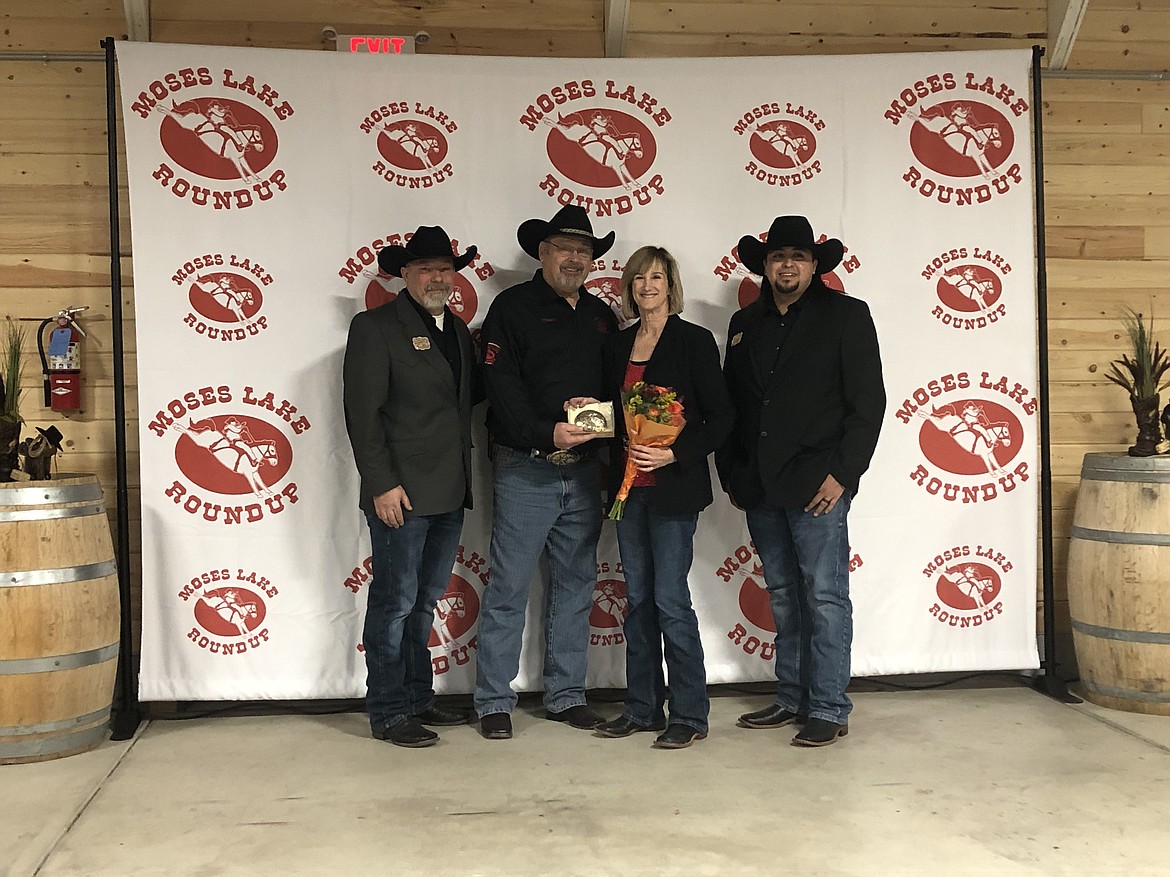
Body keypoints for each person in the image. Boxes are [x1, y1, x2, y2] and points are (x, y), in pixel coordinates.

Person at [716, 215, 885, 748]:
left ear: (815, 265)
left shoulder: (848, 316)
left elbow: (869, 404)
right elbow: (734, 407)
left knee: (826, 597)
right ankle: (792, 698)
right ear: (765, 266)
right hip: (761, 487)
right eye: (778, 257)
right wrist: (734, 475)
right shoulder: (744, 324)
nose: (787, 265)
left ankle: (830, 706)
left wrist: (843, 475)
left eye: (798, 256)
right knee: (785, 596)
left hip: (819, 486)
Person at [473, 205, 619, 740]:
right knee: (508, 586)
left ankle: (566, 695)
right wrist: (545, 432)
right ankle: (492, 700)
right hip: (526, 470)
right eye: (565, 248)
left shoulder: (602, 315)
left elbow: (617, 386)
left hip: (584, 472)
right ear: (543, 253)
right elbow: (500, 387)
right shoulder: (512, 308)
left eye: (584, 251)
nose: (575, 258)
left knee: (577, 586)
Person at [343, 225, 479, 748]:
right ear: (405, 274)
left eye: (444, 269)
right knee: (394, 603)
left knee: (423, 603)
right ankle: (387, 709)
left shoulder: (460, 330)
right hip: (400, 494)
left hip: (449, 491)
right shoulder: (374, 328)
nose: (436, 278)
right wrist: (381, 484)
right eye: (426, 269)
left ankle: (419, 698)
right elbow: (363, 414)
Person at [595, 246, 733, 750]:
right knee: (637, 602)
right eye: (638, 278)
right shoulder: (617, 345)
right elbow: (612, 417)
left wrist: (674, 454)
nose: (647, 286)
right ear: (629, 287)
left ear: (670, 285)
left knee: (671, 600)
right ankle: (642, 708)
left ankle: (690, 715)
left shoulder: (694, 342)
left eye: (656, 277)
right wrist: (583, 412)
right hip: (627, 493)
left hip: (673, 492)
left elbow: (720, 419)